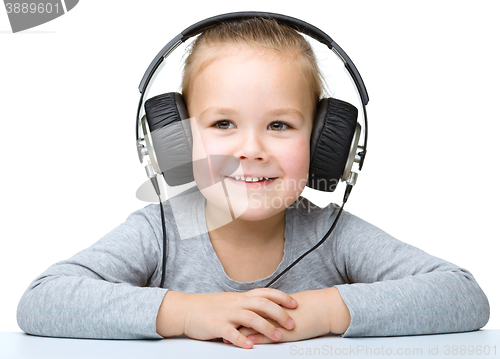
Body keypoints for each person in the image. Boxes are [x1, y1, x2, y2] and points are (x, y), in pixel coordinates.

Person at [17, 17, 489, 350]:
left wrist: (321, 312)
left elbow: (463, 296)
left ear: (327, 145)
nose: (251, 149)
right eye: (222, 124)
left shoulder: (332, 233)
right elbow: (42, 301)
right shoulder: (158, 231)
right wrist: (187, 313)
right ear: (175, 144)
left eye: (280, 125)